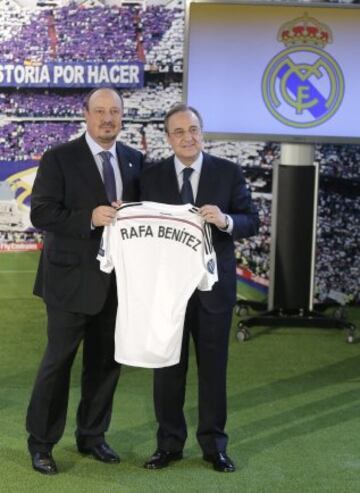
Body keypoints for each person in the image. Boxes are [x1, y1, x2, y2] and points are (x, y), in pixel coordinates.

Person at [26, 87, 143, 475]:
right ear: (86, 115)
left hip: (117, 284)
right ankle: (41, 443)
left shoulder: (135, 161)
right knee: (57, 364)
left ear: (122, 117)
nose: (107, 118)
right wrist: (88, 218)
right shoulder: (59, 158)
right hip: (68, 282)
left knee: (106, 364)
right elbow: (41, 213)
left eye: (114, 111)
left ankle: (92, 436)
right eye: (100, 111)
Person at [140, 104, 259, 473]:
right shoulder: (151, 176)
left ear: (202, 132)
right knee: (167, 372)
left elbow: (251, 220)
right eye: (179, 132)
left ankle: (214, 445)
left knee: (213, 372)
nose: (187, 137)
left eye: (193, 129)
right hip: (167, 293)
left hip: (214, 291)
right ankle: (169, 444)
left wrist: (225, 220)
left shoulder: (228, 172)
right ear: (168, 138)